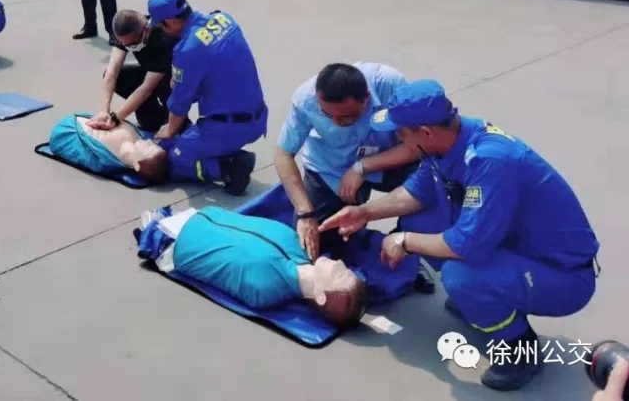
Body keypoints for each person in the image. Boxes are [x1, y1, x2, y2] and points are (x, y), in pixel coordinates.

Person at [321, 80, 600, 392]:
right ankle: (487, 301)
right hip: (517, 245)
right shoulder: (447, 144)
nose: (397, 139)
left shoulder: (490, 159)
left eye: (401, 133)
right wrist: (364, 213)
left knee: (460, 275)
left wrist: (405, 241)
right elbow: (416, 193)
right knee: (420, 220)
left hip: (562, 275)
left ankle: (520, 348)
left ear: (425, 132)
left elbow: (465, 245)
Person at [275, 62, 422, 262]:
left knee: (430, 197)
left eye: (346, 117)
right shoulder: (305, 100)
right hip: (331, 169)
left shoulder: (390, 85)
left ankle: (405, 246)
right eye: (327, 115)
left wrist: (362, 167)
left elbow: (419, 145)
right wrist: (305, 213)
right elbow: (283, 154)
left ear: (366, 98)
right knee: (311, 245)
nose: (336, 123)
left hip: (391, 160)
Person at [140, 207, 368, 327]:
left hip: (173, 239)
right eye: (345, 268)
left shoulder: (265, 289)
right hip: (201, 216)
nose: (340, 263)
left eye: (339, 274)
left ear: (320, 296)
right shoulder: (300, 247)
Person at [148, 0, 263, 195]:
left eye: (160, 26)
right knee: (186, 140)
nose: (162, 32)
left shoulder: (187, 50)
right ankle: (222, 153)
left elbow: (180, 102)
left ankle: (229, 168)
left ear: (170, 21)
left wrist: (169, 131)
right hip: (257, 117)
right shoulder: (224, 19)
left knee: (175, 157)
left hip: (230, 127)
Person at [88, 8, 177, 134]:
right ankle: (154, 118)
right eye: (124, 44)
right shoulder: (124, 33)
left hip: (173, 76)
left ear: (146, 30)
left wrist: (115, 118)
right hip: (149, 71)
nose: (128, 47)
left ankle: (177, 122)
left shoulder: (162, 38)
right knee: (118, 77)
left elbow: (147, 88)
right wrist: (104, 110)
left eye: (132, 44)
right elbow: (112, 71)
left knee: (167, 90)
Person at [49, 115, 170, 184]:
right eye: (153, 144)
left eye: (148, 147)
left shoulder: (107, 160)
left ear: (137, 165)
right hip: (84, 121)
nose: (149, 142)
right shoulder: (140, 137)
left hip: (70, 129)